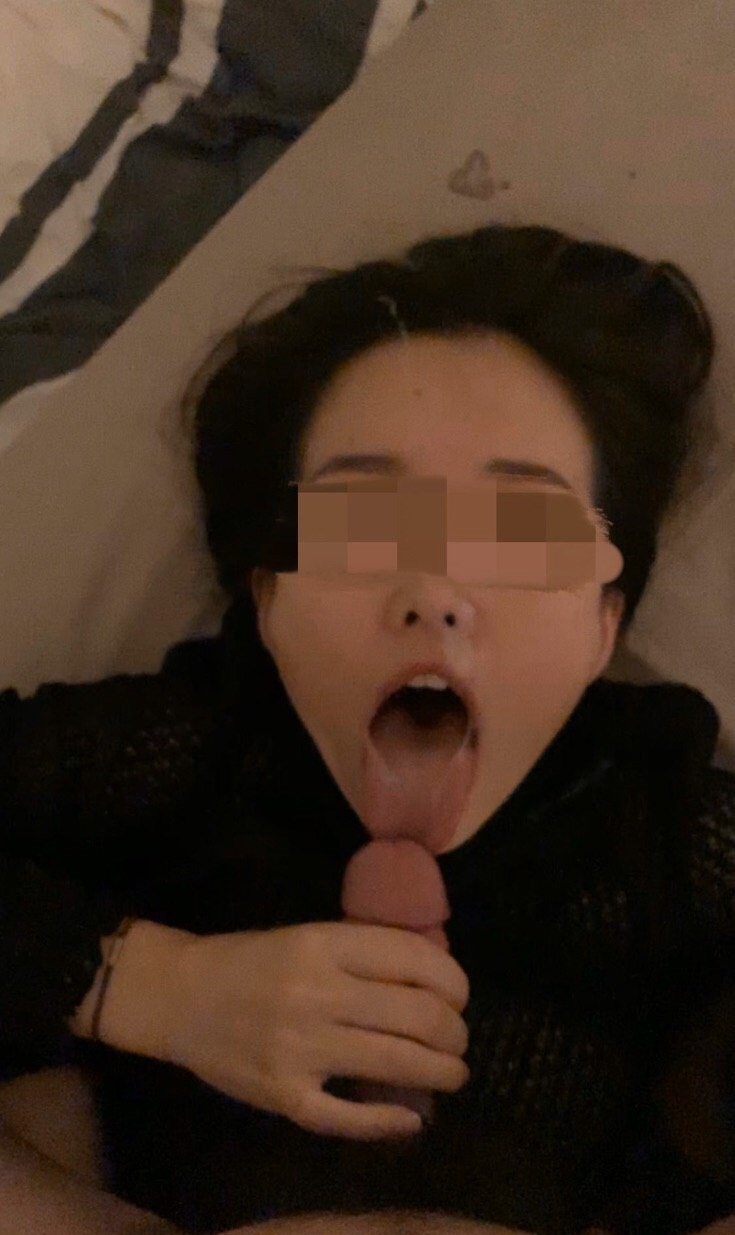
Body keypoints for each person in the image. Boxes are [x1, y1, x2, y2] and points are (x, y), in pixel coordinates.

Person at [1, 222, 734, 1235]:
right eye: (361, 526)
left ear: (603, 625)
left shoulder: (660, 822)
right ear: (269, 598)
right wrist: (151, 985)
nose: (433, 589)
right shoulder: (197, 752)